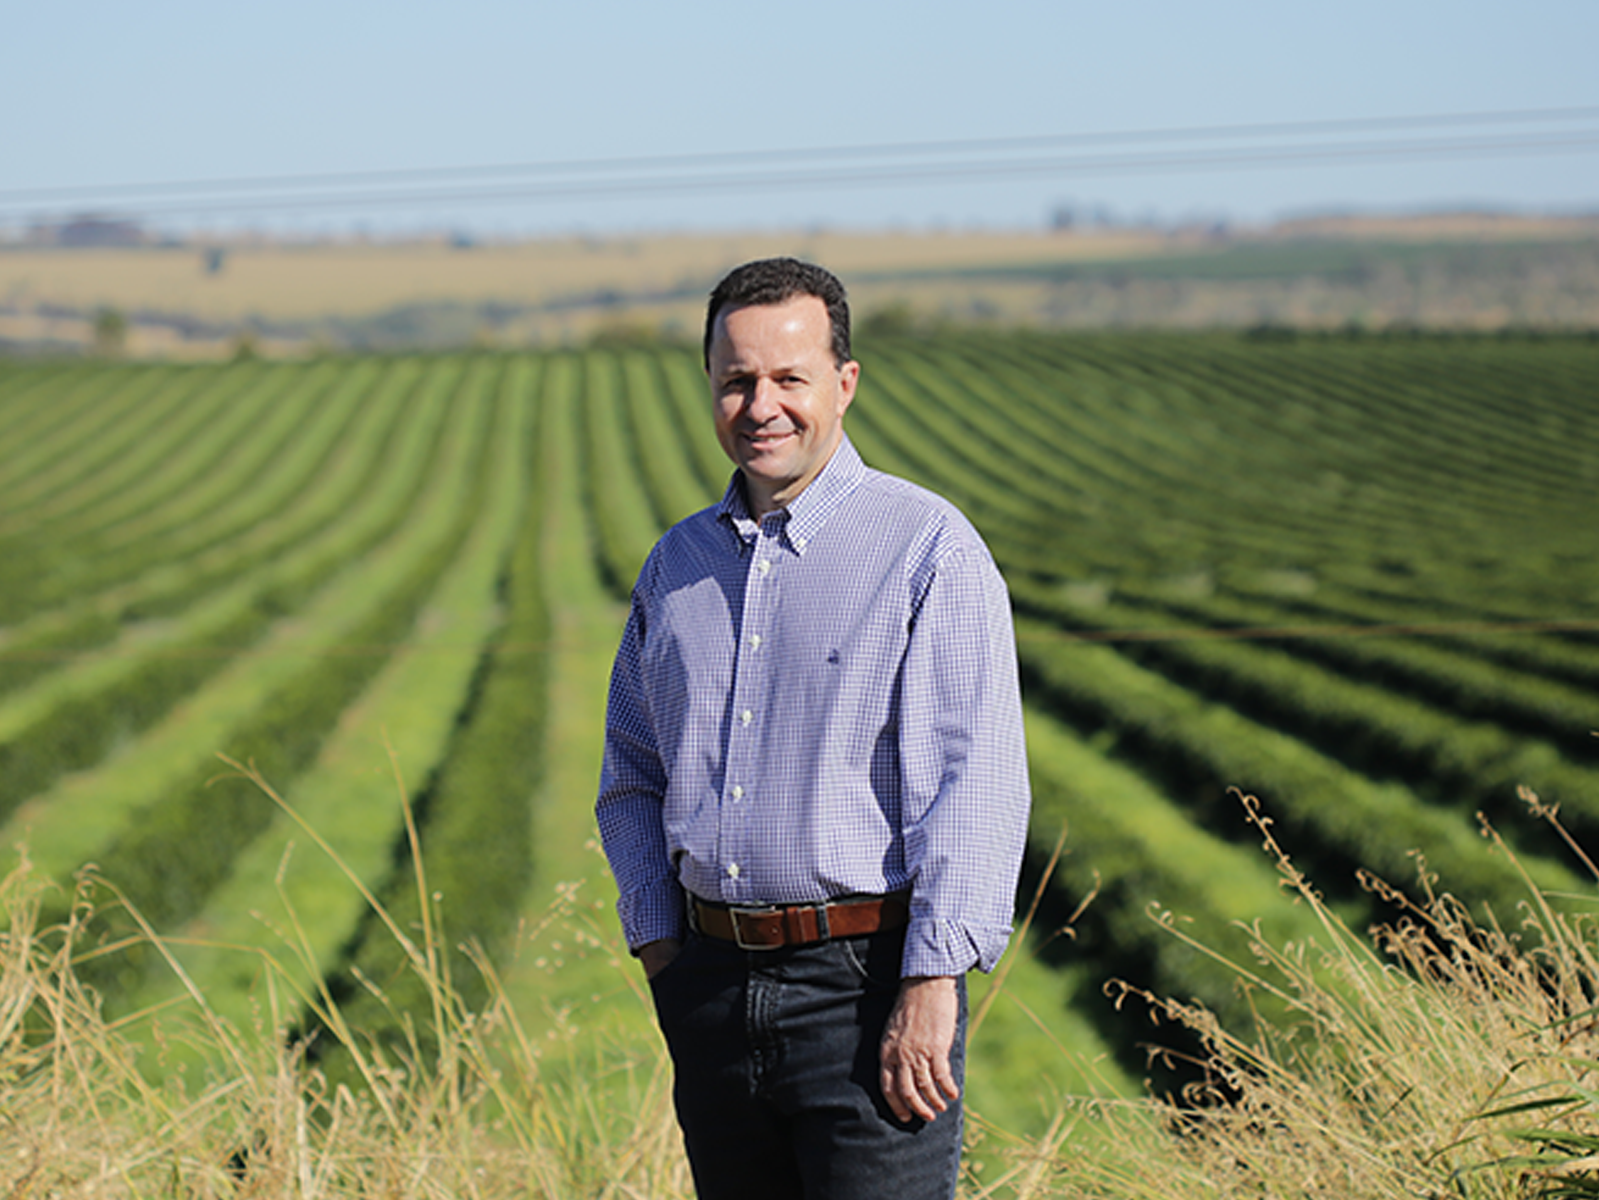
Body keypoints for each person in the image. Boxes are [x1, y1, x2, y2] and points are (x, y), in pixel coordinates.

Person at [595, 257, 1031, 1200]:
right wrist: (663, 949)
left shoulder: (925, 549)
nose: (762, 405)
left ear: (843, 383)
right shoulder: (676, 564)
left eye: (788, 378)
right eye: (736, 381)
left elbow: (973, 786)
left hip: (868, 990)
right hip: (709, 984)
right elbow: (631, 773)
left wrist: (929, 988)